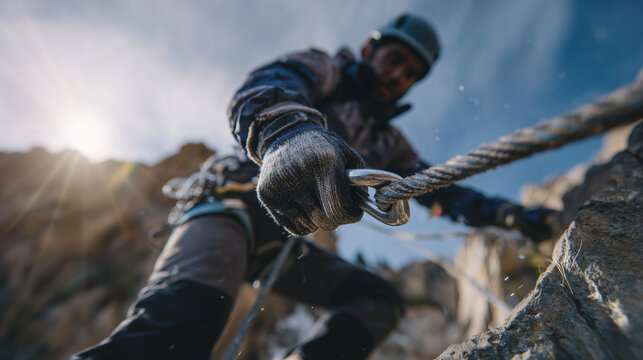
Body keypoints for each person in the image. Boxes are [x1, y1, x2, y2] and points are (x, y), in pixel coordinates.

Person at [72, 13, 556, 360]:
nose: (398, 76)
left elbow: (444, 192)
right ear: (370, 51)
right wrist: (289, 134)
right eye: (394, 60)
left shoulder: (389, 144)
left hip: (278, 239)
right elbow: (269, 85)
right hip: (230, 208)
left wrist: (510, 216)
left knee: (376, 302)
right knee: (176, 331)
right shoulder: (325, 71)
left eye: (411, 74)